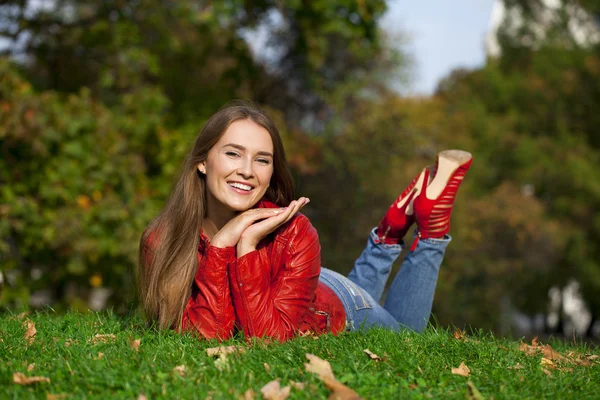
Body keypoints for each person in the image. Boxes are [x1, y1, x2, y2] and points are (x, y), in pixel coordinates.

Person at [137, 102, 472, 342]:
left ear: (271, 172)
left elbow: (267, 339)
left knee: (408, 340)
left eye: (262, 159)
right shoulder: (161, 238)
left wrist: (246, 246)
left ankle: (430, 229)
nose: (247, 170)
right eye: (233, 153)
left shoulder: (294, 231)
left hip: (335, 305)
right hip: (299, 282)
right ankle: (388, 234)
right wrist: (223, 245)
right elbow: (206, 336)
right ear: (203, 163)